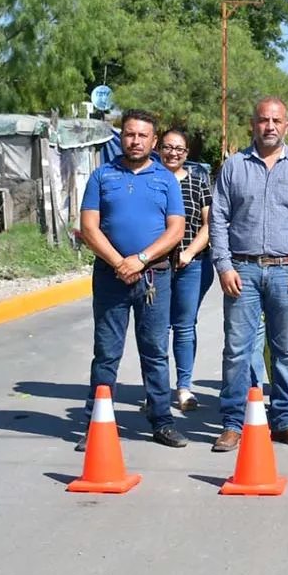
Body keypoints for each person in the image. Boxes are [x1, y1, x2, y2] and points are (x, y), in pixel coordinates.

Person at [209, 97, 288, 452]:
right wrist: (224, 265)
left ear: (287, 126)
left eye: (276, 120)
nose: (269, 126)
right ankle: (233, 423)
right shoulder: (234, 166)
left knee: (284, 350)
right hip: (241, 271)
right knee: (237, 350)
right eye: (263, 120)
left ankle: (286, 420)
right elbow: (217, 219)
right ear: (253, 124)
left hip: (286, 272)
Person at [76, 109, 188, 450]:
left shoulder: (166, 179)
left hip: (155, 277)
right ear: (121, 137)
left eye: (142, 135)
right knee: (106, 353)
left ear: (153, 141)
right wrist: (119, 263)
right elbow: (89, 227)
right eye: (129, 134)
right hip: (111, 278)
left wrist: (140, 260)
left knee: (155, 351)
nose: (135, 140)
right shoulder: (101, 177)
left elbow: (176, 229)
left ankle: (161, 422)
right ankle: (97, 424)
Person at [158, 128, 213, 412]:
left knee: (184, 325)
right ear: (159, 148)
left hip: (193, 265)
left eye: (179, 149)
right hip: (155, 265)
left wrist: (189, 253)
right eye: (168, 147)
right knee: (156, 327)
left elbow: (209, 223)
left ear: (186, 154)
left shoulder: (198, 183)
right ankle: (155, 389)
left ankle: (184, 388)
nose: (173, 153)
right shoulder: (150, 180)